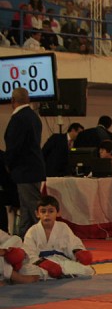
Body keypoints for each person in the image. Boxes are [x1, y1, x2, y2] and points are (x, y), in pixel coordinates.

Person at [23, 195, 94, 280]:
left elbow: (73, 244)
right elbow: (29, 254)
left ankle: (56, 275)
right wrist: (45, 264)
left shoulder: (63, 227)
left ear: (58, 213)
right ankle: (60, 274)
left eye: (51, 211)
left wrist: (78, 252)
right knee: (25, 271)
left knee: (87, 269)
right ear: (37, 214)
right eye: (43, 211)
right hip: (42, 263)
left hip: (61, 262)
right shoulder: (32, 231)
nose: (47, 215)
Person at [4, 88, 44, 237]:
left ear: (12, 101)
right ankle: (24, 238)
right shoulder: (34, 117)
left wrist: (8, 164)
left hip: (24, 170)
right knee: (26, 208)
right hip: (33, 169)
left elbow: (15, 146)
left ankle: (42, 238)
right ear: (28, 100)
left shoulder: (18, 119)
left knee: (33, 208)